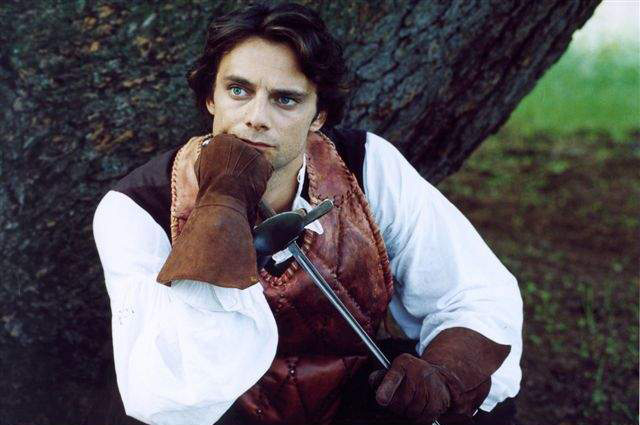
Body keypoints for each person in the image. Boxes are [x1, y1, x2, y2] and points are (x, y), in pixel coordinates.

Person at [92, 3, 522, 425]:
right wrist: (223, 199)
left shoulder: (366, 165)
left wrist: (443, 374)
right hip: (218, 411)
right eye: (238, 90)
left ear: (319, 115)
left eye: (285, 99)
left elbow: (474, 292)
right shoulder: (137, 208)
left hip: (350, 403)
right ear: (210, 97)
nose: (256, 118)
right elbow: (168, 387)